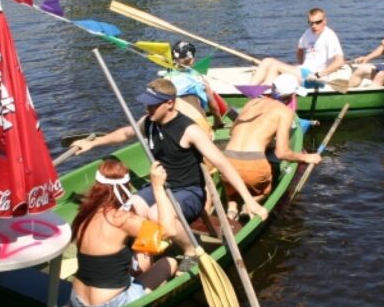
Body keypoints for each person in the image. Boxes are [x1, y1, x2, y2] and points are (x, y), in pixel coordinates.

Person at [72, 79, 268, 252]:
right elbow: (126, 133)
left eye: (152, 105)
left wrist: (248, 200)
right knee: (126, 210)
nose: (147, 109)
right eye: (146, 105)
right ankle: (142, 251)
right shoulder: (149, 122)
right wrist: (92, 143)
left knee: (156, 213)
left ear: (169, 103)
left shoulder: (189, 130)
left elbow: (223, 164)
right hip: (158, 187)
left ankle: (191, 249)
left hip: (189, 191)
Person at [68, 159, 178, 307]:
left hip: (77, 300)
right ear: (126, 188)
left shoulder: (85, 212)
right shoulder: (122, 220)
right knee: (169, 262)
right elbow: (169, 230)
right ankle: (150, 304)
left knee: (133, 259)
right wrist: (157, 187)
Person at [222, 73, 320, 218]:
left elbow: (232, 131)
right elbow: (282, 153)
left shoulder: (251, 103)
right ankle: (250, 203)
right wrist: (306, 157)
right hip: (252, 168)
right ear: (292, 95)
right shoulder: (285, 112)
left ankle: (231, 206)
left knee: (232, 185)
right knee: (266, 189)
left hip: (227, 162)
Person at [249, 7, 346, 86]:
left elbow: (340, 61)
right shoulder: (308, 32)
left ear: (324, 21)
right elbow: (300, 48)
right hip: (303, 71)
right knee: (267, 61)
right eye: (311, 23)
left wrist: (319, 74)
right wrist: (301, 64)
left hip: (314, 78)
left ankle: (265, 92)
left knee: (275, 66)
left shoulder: (329, 36)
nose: (314, 26)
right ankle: (250, 89)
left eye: (318, 22)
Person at [164, 41, 225, 130]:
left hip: (175, 122)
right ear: (192, 60)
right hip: (198, 119)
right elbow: (213, 104)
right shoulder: (198, 78)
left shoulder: (167, 78)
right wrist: (217, 120)